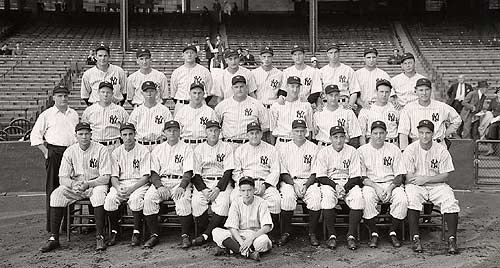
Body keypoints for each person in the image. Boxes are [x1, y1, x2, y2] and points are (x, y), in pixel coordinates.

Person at [39, 122, 111, 252]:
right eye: (81, 134)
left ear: (91, 135)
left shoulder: (101, 149)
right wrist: (73, 184)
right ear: (76, 136)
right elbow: (62, 178)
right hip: (76, 186)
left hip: (95, 185)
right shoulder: (70, 151)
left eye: (87, 134)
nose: (84, 137)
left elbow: (106, 177)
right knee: (56, 195)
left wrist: (88, 184)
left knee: (100, 195)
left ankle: (100, 236)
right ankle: (54, 238)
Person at [403, 120, 460, 254]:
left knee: (449, 199)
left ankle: (452, 238)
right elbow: (409, 176)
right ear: (418, 133)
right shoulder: (411, 149)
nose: (424, 136)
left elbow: (445, 175)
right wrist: (421, 181)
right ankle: (415, 237)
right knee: (412, 197)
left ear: (433, 134)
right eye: (421, 133)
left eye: (428, 133)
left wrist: (426, 179)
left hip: (436, 184)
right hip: (416, 184)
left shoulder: (441, 150)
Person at [31, 85, 79, 232]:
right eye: (59, 96)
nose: (63, 98)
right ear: (54, 98)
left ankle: (67, 225)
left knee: (70, 187)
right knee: (53, 189)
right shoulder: (47, 114)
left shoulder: (73, 114)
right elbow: (35, 136)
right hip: (55, 152)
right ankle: (52, 226)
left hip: (71, 152)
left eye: (65, 95)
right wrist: (46, 152)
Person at [142, 120, 197, 249]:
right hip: (163, 181)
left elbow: (188, 171)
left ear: (179, 132)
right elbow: (154, 172)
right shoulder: (158, 149)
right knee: (149, 199)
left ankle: (185, 235)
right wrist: (159, 186)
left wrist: (182, 186)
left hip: (179, 181)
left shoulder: (186, 148)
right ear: (164, 132)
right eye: (169, 130)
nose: (172, 133)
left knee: (183, 200)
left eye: (175, 130)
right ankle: (154, 234)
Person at [313, 125, 365, 250]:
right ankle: (332, 235)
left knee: (358, 197)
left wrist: (344, 188)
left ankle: (351, 235)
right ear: (330, 138)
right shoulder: (324, 152)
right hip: (330, 183)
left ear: (345, 138)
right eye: (335, 137)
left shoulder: (352, 151)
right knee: (327, 198)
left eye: (341, 137)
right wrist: (336, 186)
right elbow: (321, 176)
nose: (339, 140)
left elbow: (356, 175)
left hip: (348, 183)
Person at [358, 121, 407, 249]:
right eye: (375, 133)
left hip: (391, 184)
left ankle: (393, 231)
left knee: (402, 200)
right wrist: (376, 187)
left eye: (381, 133)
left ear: (386, 134)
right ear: (370, 134)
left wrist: (390, 188)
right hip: (371, 184)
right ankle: (374, 232)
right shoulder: (362, 150)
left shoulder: (394, 149)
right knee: (367, 199)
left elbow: (400, 175)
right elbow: (362, 176)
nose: (378, 136)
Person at [232, 122, 281, 240]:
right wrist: (247, 187)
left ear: (261, 134)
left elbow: (275, 171)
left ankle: (271, 233)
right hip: (246, 184)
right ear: (247, 135)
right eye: (252, 133)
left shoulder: (271, 149)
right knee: (233, 197)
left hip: (264, 183)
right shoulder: (240, 150)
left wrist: (265, 186)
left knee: (275, 200)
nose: (254, 136)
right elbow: (236, 172)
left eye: (257, 133)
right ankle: (239, 231)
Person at [104, 123, 150, 247]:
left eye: (130, 134)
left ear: (135, 135)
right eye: (125, 135)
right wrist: (118, 188)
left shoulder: (143, 151)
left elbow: (146, 177)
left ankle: (136, 231)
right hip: (121, 183)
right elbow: (113, 176)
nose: (128, 137)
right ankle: (115, 230)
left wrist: (131, 189)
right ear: (121, 136)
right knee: (110, 200)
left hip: (138, 184)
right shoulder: (116, 152)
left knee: (135, 200)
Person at [190, 120, 234, 246]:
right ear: (206, 132)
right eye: (210, 130)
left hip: (221, 182)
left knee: (224, 203)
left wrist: (218, 189)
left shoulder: (227, 147)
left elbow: (228, 171)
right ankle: (210, 231)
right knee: (197, 202)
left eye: (216, 130)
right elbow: (196, 173)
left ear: (220, 132)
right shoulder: (199, 148)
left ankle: (205, 235)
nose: (213, 133)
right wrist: (203, 189)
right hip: (204, 182)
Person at [277, 119, 320, 246]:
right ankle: (285, 232)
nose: (300, 134)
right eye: (297, 131)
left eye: (302, 131)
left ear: (306, 132)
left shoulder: (313, 147)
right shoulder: (284, 148)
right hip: (290, 181)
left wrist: (306, 185)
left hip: (309, 182)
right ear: (292, 132)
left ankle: (312, 232)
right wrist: (293, 184)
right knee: (288, 198)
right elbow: (283, 171)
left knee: (316, 198)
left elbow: (315, 172)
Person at [212, 176, 273, 261]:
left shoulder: (261, 202)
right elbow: (232, 227)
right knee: (216, 232)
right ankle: (249, 253)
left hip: (255, 234)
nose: (246, 193)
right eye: (243, 191)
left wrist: (251, 238)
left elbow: (267, 226)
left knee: (264, 241)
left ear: (254, 190)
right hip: (238, 234)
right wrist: (241, 242)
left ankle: (231, 249)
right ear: (240, 191)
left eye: (249, 190)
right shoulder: (236, 202)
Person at [398, 78, 461, 150]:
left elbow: (457, 119)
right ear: (415, 91)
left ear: (431, 90)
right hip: (417, 146)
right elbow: (403, 133)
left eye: (427, 90)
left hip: (437, 145)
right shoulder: (408, 108)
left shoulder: (441, 107)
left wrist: (445, 133)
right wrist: (404, 151)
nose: (424, 93)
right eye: (421, 90)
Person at [214, 75, 269, 149]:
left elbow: (266, 125)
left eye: (241, 86)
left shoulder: (257, 104)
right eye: (236, 87)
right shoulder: (223, 105)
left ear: (246, 87)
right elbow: (215, 124)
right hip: (228, 145)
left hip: (249, 145)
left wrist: (253, 136)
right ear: (232, 88)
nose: (239, 89)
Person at [81, 81, 129, 153]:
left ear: (112, 94)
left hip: (114, 146)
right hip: (95, 145)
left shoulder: (120, 110)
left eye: (108, 92)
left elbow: (127, 129)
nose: (105, 95)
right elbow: (84, 129)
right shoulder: (89, 110)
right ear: (98, 93)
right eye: (103, 92)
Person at [128, 81, 172, 152]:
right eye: (146, 91)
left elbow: (170, 130)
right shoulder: (137, 111)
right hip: (141, 146)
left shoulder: (164, 110)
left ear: (156, 92)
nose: (149, 93)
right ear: (142, 93)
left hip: (159, 145)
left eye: (152, 91)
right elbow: (130, 129)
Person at [270, 76, 313, 148]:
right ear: (287, 87)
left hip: (300, 143)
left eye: (297, 87)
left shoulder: (306, 105)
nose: (295, 90)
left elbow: (309, 129)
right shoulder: (276, 106)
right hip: (282, 142)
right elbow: (272, 130)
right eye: (292, 86)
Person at [170, 44, 214, 115]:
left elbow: (210, 93)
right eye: (187, 53)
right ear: (183, 55)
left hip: (200, 106)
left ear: (196, 55)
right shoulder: (176, 72)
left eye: (192, 52)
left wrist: (198, 101)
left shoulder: (204, 71)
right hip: (182, 105)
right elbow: (173, 94)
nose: (189, 55)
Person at [358, 79, 400, 146]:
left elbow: (400, 131)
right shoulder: (367, 109)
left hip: (392, 143)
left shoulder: (396, 109)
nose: (384, 95)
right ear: (376, 92)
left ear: (390, 93)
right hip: (372, 145)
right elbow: (361, 135)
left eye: (387, 92)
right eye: (381, 92)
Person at [319, 43, 360, 110]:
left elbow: (354, 91)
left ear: (339, 53)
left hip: (344, 103)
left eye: (335, 52)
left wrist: (350, 105)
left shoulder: (348, 70)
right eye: (331, 53)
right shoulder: (321, 71)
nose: (333, 55)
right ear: (327, 54)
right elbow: (318, 93)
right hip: (326, 104)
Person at [355, 47, 392, 112]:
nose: (371, 60)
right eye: (368, 57)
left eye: (374, 57)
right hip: (362, 107)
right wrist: (362, 104)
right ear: (364, 59)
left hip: (380, 107)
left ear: (377, 58)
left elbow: (390, 94)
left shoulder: (384, 74)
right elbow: (354, 93)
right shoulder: (357, 74)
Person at [252, 46, 283, 111]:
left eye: (269, 56)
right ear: (260, 57)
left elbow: (282, 91)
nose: (266, 59)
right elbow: (251, 92)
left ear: (272, 57)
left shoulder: (279, 73)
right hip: (259, 106)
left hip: (274, 107)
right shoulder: (253, 73)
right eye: (264, 56)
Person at [483, 88, 500, 155]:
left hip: (498, 119)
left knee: (492, 128)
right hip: (493, 119)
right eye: (499, 92)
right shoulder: (493, 100)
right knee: (487, 129)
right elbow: (489, 110)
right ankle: (490, 149)